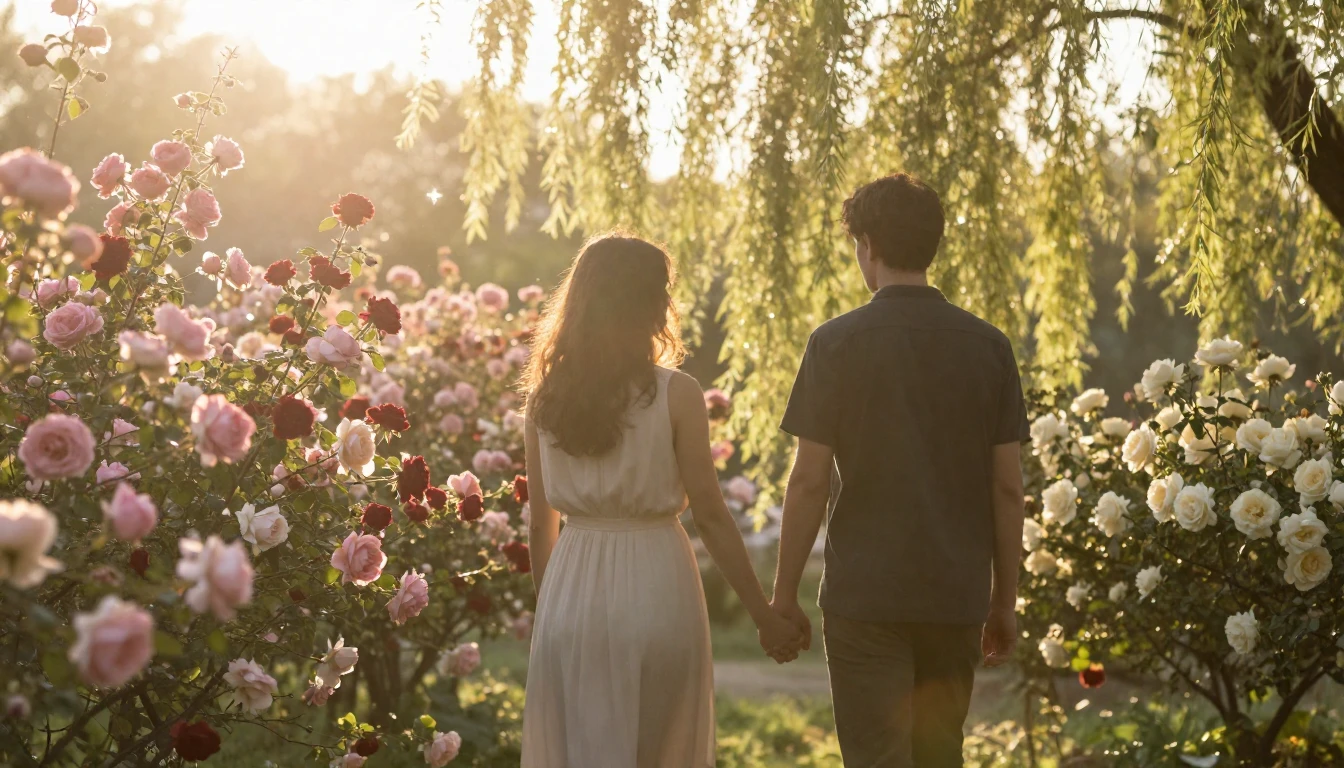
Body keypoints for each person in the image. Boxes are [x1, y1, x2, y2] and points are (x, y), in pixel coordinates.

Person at [769, 173, 1029, 767]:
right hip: (954, 596)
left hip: (865, 599)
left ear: (869, 246)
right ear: (931, 244)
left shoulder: (834, 344)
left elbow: (809, 481)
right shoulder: (988, 347)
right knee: (940, 756)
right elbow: (1008, 487)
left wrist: (784, 599)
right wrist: (1003, 602)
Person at [519, 233, 803, 767]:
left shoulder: (543, 399)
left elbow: (541, 524)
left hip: (571, 590)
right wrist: (763, 615)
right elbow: (713, 517)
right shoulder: (677, 393)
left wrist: (552, 609)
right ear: (654, 304)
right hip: (657, 581)